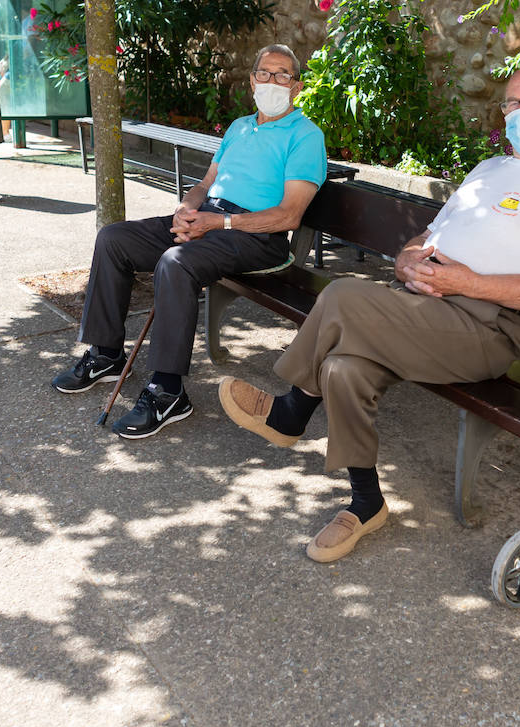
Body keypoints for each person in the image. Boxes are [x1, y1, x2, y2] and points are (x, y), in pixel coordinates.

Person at [218, 62, 520, 563]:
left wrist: (467, 282)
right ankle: (366, 502)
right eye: (511, 103)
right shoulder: (489, 169)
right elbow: (430, 235)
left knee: (342, 296)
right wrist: (406, 258)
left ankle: (291, 411)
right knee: (342, 367)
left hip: (486, 328)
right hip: (423, 305)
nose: (519, 113)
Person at [51, 44, 328, 440]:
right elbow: (205, 184)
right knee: (114, 238)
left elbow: (289, 215)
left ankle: (168, 391)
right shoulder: (239, 127)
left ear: (296, 87)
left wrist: (219, 222)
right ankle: (106, 355)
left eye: (282, 75)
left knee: (176, 262)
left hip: (256, 235)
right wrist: (187, 208)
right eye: (264, 73)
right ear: (252, 81)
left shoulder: (305, 136)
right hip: (211, 217)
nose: (272, 81)